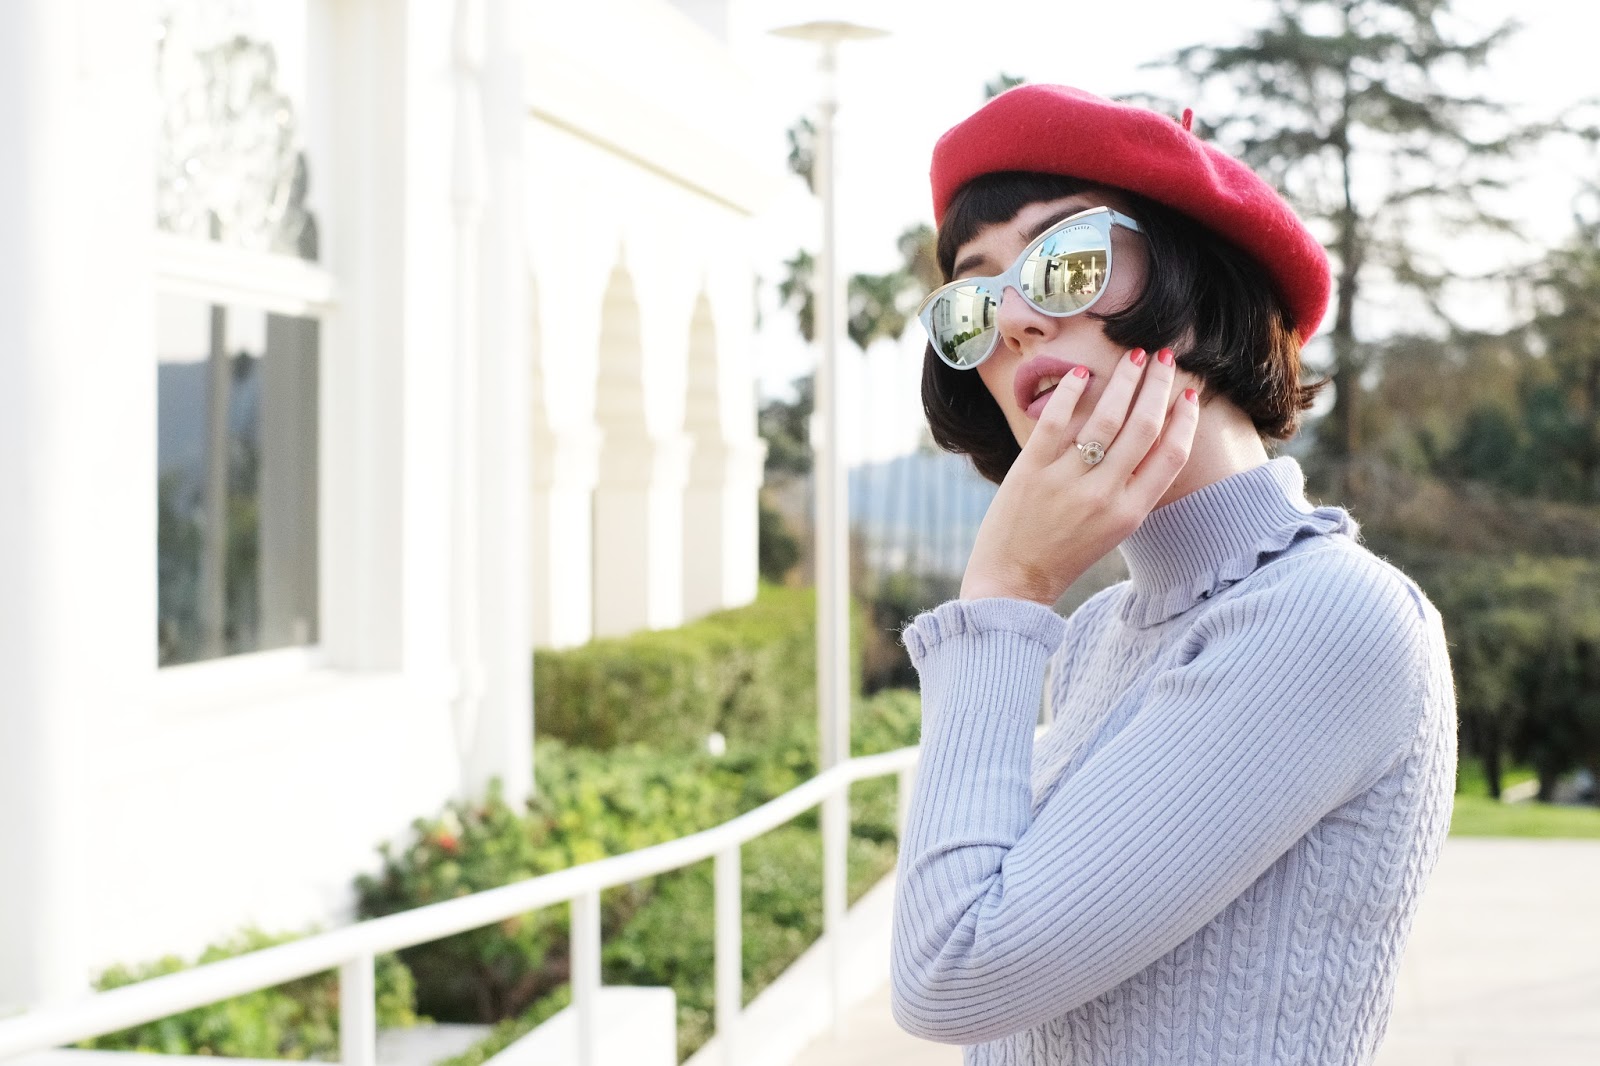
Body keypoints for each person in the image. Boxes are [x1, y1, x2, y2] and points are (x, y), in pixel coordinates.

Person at [889, 84, 1458, 1065]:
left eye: (1066, 261)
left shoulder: (1331, 615)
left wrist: (1005, 591)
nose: (1014, 319)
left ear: (1197, 285)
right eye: (973, 299)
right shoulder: (1099, 635)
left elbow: (952, 971)